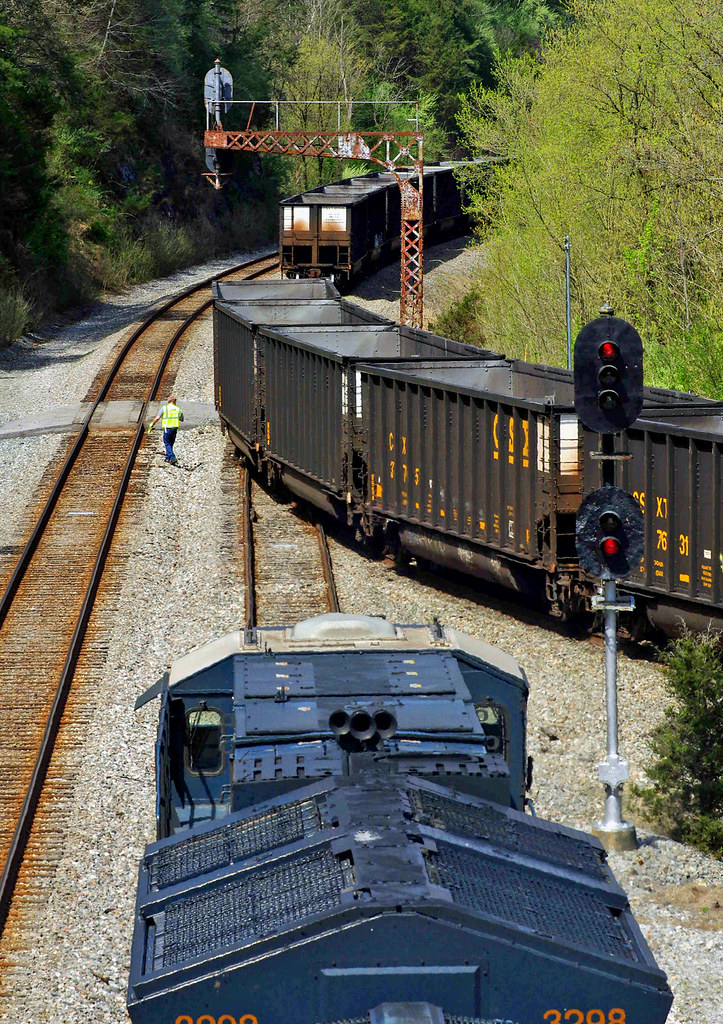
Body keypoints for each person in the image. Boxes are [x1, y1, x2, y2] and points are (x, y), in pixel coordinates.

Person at [148, 395, 184, 464]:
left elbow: (157, 418)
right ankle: (167, 458)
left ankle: (173, 457)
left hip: (167, 427)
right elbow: (182, 419)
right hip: (175, 428)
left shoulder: (164, 408)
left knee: (167, 443)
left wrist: (152, 424)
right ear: (174, 401)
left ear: (170, 401)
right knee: (171, 443)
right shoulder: (178, 409)